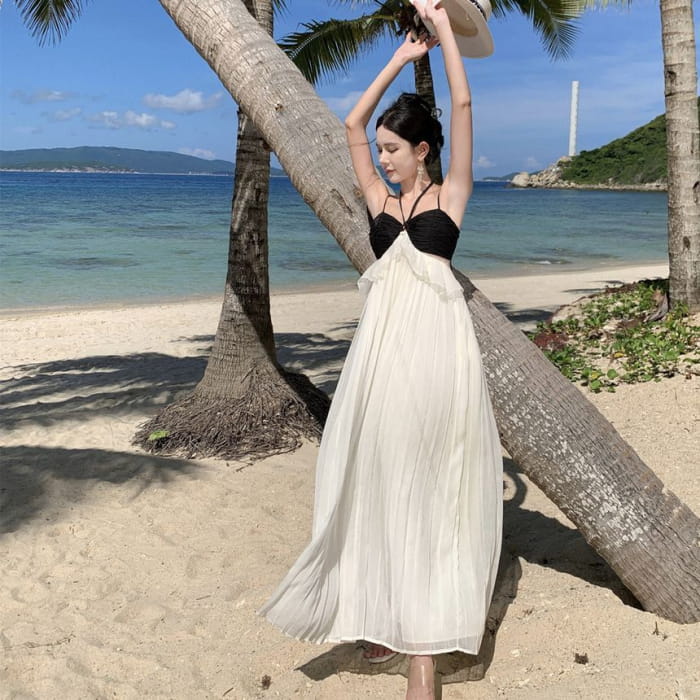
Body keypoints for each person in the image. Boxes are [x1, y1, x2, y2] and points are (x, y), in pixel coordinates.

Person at [259, 1, 503, 697]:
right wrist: (400, 58)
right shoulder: (377, 201)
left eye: (394, 150)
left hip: (437, 356)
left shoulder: (452, 196)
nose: (384, 160)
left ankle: (422, 650)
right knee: (374, 475)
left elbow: (462, 103)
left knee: (429, 484)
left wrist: (446, 29)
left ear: (423, 151)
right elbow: (350, 126)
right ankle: (380, 612)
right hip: (377, 359)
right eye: (383, 151)